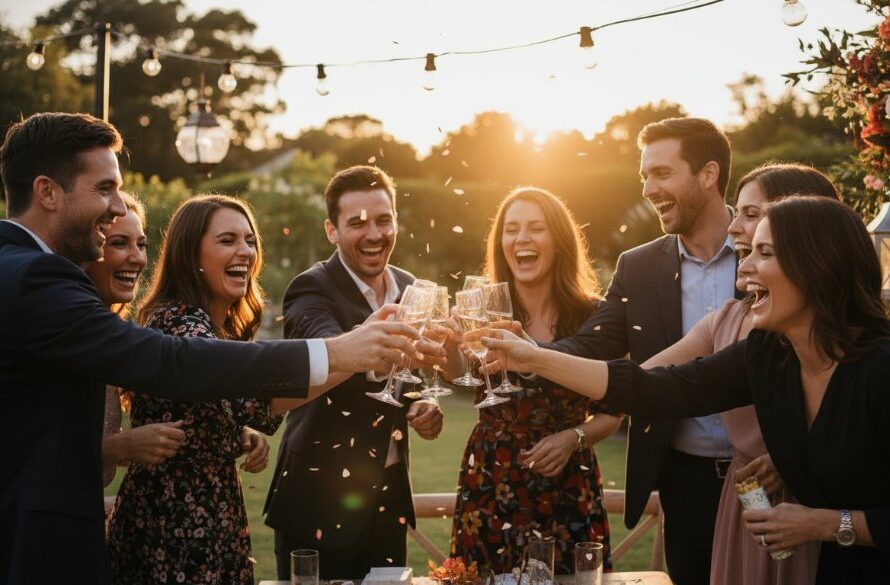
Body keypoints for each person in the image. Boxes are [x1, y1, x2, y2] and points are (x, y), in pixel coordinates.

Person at [0, 112, 421, 584]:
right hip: (57, 543)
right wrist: (340, 352)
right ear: (47, 192)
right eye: (104, 189)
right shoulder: (36, 277)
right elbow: (168, 361)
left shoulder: (24, 270)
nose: (119, 206)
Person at [485, 196, 890, 585]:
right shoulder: (769, 355)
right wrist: (533, 358)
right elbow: (653, 389)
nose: (743, 269)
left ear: (818, 264)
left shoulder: (879, 369)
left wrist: (825, 523)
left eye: (763, 253)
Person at [543, 117, 736, 585]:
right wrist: (525, 351)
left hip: (772, 473)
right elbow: (593, 342)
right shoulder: (639, 265)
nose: (649, 189)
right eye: (644, 176)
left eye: (662, 174)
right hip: (682, 479)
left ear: (708, 174)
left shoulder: (767, 250)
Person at [640, 163, 839, 585]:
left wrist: (794, 462)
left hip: (813, 512)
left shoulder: (842, 343)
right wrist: (530, 359)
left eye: (751, 215)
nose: (733, 229)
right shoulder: (734, 320)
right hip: (747, 501)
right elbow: (643, 381)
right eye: (739, 214)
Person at [264, 165, 445, 579]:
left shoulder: (410, 286)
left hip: (390, 501)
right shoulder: (310, 288)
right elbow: (331, 346)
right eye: (357, 222)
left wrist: (425, 403)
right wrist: (368, 337)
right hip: (318, 503)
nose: (374, 233)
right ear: (332, 230)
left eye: (384, 220)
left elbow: (410, 376)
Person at [105, 194, 288, 584]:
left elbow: (236, 409)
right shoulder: (179, 323)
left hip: (216, 519)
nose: (245, 251)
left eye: (250, 240)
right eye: (228, 241)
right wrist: (352, 358)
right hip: (173, 530)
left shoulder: (216, 324)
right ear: (191, 255)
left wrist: (235, 433)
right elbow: (258, 400)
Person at [449, 187, 621, 573]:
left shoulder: (594, 316)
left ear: (558, 239)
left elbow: (613, 414)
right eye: (511, 229)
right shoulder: (485, 310)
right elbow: (456, 371)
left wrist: (571, 439)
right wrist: (449, 341)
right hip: (491, 478)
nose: (521, 239)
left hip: (568, 483)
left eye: (535, 228)